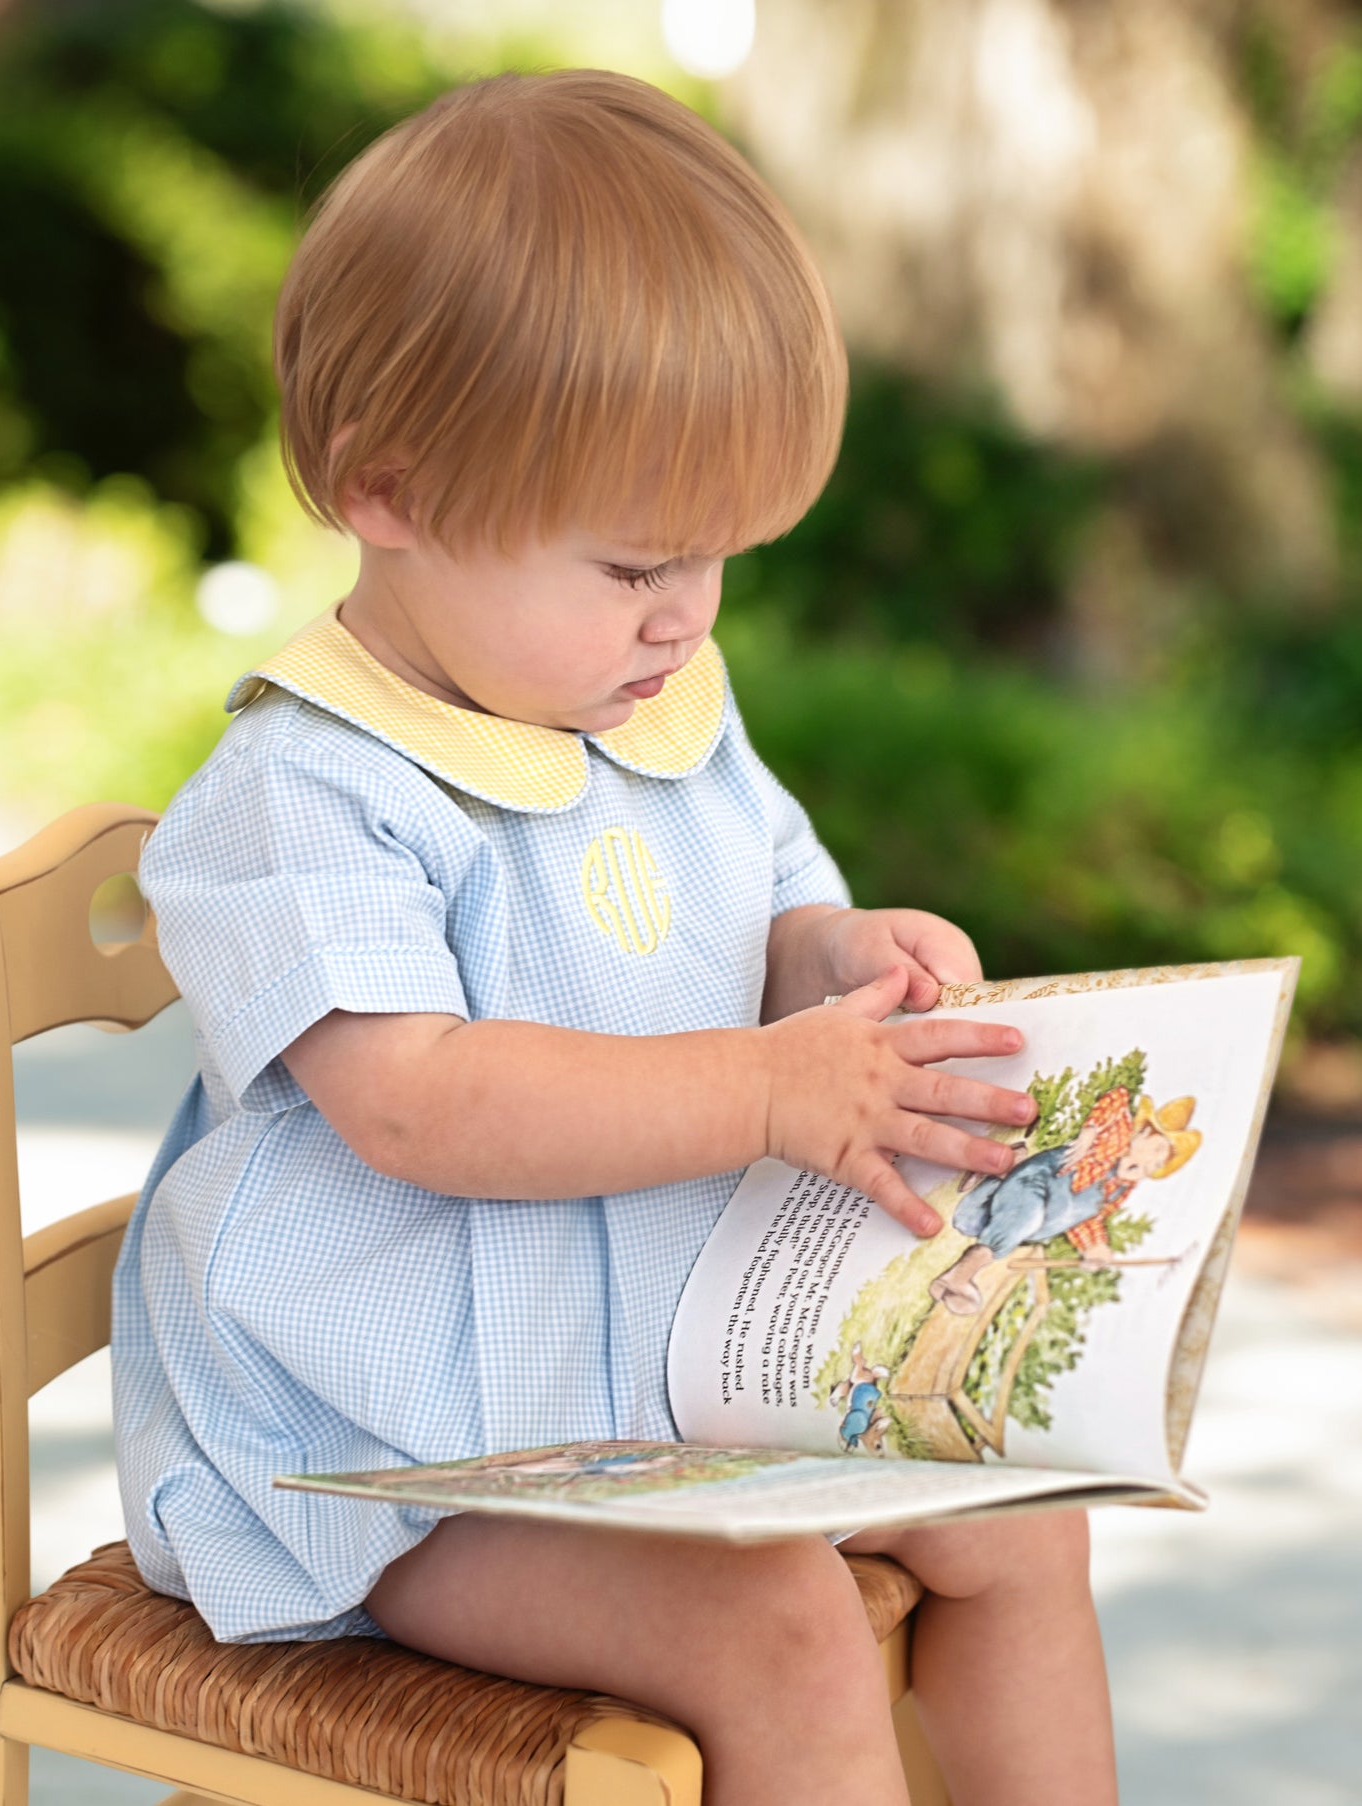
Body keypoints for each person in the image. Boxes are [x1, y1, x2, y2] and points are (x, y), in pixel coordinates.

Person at [112, 69, 1116, 1806]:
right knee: (783, 1628)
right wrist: (765, 1089)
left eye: (716, 558)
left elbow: (775, 909)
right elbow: (424, 1102)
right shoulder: (309, 792)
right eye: (634, 562)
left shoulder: (654, 706)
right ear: (391, 493)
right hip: (394, 1458)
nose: (684, 616)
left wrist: (852, 961)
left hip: (641, 1395)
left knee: (1024, 1516)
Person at [930, 1088, 1202, 1314]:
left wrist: (1095, 1246)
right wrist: (1091, 1131)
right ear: (1142, 1133)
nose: (1152, 1164)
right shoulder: (1114, 1139)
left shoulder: (1121, 1188)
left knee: (968, 1222)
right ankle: (959, 1277)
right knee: (1024, 1218)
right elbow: (1116, 1099)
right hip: (1037, 1184)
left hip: (1046, 1217)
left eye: (1159, 1163)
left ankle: (1000, 1175)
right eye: (1156, 1150)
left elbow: (1087, 1218)